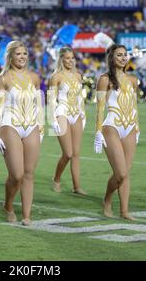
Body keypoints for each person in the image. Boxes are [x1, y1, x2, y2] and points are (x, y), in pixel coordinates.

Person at [0, 40, 44, 226]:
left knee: (29, 173)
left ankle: (27, 215)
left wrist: (41, 127)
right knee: (16, 174)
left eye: (24, 54)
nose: (22, 57)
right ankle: (8, 205)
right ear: (10, 56)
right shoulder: (3, 78)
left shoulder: (34, 77)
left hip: (31, 126)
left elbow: (39, 104)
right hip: (10, 125)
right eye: (18, 54)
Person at [94, 44, 139, 220]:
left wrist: (137, 127)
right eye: (119, 55)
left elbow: (135, 105)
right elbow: (99, 108)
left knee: (126, 173)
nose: (123, 58)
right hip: (111, 126)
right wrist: (97, 131)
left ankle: (124, 211)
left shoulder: (133, 80)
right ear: (111, 58)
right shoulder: (105, 79)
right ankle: (107, 199)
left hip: (130, 128)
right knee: (120, 172)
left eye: (125, 55)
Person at [48, 47, 87, 195]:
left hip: (76, 114)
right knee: (68, 153)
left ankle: (77, 186)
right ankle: (56, 179)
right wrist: (53, 121)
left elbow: (80, 97)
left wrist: (83, 114)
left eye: (72, 58)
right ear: (61, 59)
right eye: (67, 58)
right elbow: (51, 101)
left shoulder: (78, 75)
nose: (70, 61)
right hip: (61, 113)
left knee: (76, 153)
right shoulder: (56, 77)